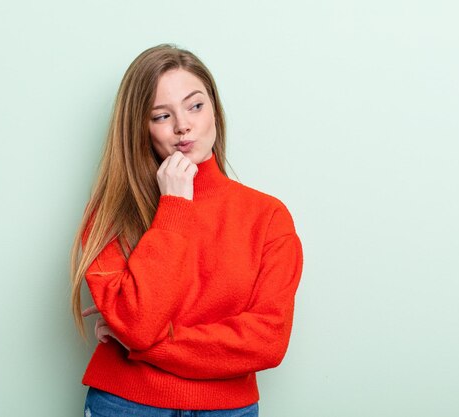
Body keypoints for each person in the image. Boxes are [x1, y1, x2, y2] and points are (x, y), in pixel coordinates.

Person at [70, 43, 304, 416]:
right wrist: (174, 207)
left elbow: (267, 342)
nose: (183, 125)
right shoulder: (108, 217)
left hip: (229, 409)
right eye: (161, 115)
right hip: (126, 404)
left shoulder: (267, 216)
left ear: (214, 109)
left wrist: (143, 346)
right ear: (139, 128)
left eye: (195, 106)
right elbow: (140, 323)